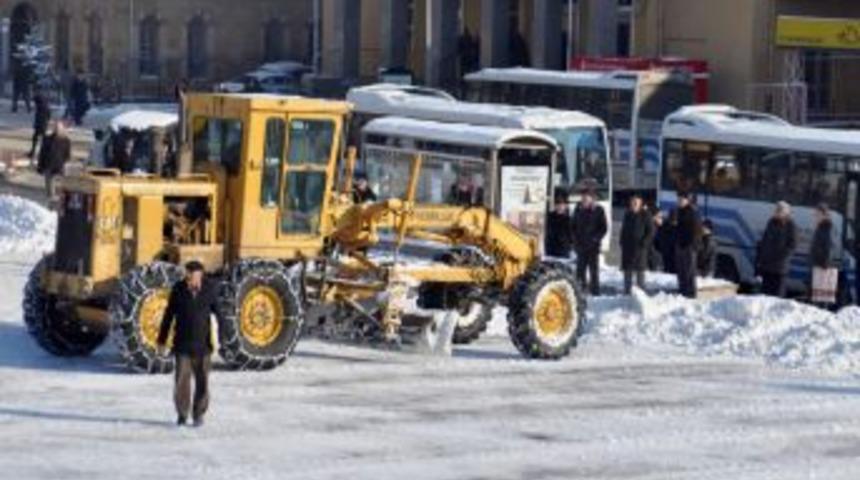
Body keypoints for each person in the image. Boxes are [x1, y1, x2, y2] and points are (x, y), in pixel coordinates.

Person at [157, 261, 219, 427]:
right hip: (182, 346)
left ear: (200, 275)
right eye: (187, 274)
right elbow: (168, 316)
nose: (189, 278)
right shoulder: (178, 290)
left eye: (192, 275)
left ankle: (198, 414)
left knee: (202, 383)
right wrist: (162, 340)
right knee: (181, 383)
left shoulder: (210, 289)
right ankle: (182, 415)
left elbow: (220, 314)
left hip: (203, 346)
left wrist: (226, 338)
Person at [756, 201, 797, 298]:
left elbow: (792, 245)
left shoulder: (790, 225)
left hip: (779, 269)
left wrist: (781, 258)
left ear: (785, 212)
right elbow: (765, 240)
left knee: (777, 297)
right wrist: (761, 258)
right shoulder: (771, 222)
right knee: (765, 296)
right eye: (776, 210)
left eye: (779, 210)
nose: (776, 212)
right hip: (767, 266)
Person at [571, 189, 608, 295]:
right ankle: (580, 291)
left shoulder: (599, 210)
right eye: (583, 197)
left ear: (592, 198)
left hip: (593, 246)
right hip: (581, 245)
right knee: (580, 271)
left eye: (587, 197)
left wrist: (596, 238)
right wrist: (575, 240)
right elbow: (572, 226)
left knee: (593, 271)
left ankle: (595, 292)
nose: (585, 199)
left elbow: (603, 228)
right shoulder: (578, 209)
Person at [619, 195, 653, 294]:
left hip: (640, 248)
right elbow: (623, 229)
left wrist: (644, 243)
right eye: (632, 202)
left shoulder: (645, 214)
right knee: (627, 272)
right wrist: (622, 241)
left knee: (640, 273)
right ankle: (627, 293)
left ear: (640, 203)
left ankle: (641, 294)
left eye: (636, 202)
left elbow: (651, 231)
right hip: (627, 248)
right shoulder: (628, 214)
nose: (634, 204)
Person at [673, 192, 702, 298]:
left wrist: (692, 244)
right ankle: (682, 291)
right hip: (680, 244)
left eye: (681, 199)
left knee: (689, 270)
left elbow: (696, 230)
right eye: (678, 199)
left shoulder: (693, 212)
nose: (679, 201)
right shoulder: (679, 211)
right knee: (681, 270)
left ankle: (690, 293)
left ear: (687, 200)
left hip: (689, 246)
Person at [36, 120, 71, 205]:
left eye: (58, 127)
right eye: (55, 127)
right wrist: (40, 165)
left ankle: (57, 201)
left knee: (57, 185)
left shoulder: (65, 140)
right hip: (51, 165)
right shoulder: (48, 139)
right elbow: (42, 153)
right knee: (51, 186)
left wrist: (64, 163)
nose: (56, 129)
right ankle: (52, 202)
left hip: (56, 165)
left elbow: (67, 155)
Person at [809, 203, 836, 306]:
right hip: (817, 264)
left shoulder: (828, 228)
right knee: (816, 296)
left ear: (824, 214)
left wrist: (824, 264)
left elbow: (829, 248)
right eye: (815, 214)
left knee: (821, 297)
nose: (815, 216)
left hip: (822, 266)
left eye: (817, 214)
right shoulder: (820, 227)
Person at [545, 189, 574, 259]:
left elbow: (572, 239)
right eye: (557, 204)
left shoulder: (569, 220)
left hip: (563, 254)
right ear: (555, 205)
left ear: (566, 206)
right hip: (549, 253)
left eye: (562, 204)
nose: (560, 206)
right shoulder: (549, 217)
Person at [29, 90, 52, 160]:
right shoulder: (45, 106)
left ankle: (34, 152)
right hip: (44, 125)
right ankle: (42, 152)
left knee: (36, 138)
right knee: (42, 139)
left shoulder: (40, 107)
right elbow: (49, 116)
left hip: (39, 125)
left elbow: (38, 117)